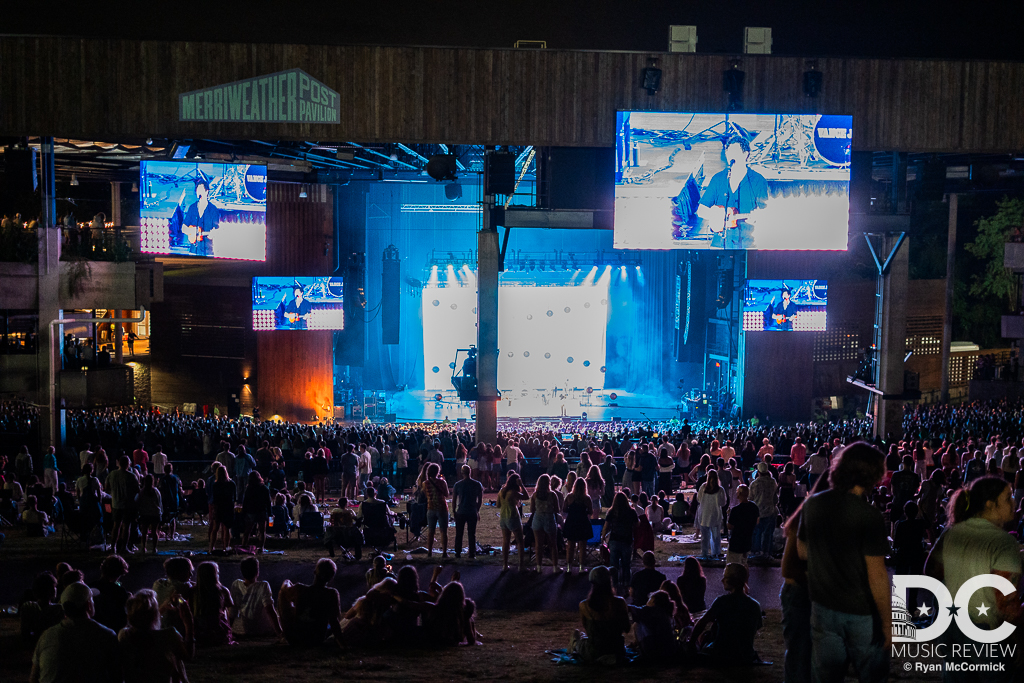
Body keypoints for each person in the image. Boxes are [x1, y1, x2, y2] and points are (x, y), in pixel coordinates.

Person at [798, 442, 891, 683]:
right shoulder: (869, 516)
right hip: (861, 611)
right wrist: (888, 622)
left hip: (823, 606)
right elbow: (877, 574)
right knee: (871, 674)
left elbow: (802, 550)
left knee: (825, 676)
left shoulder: (813, 503)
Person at [925, 476, 1022, 681]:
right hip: (985, 630)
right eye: (1007, 498)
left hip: (950, 626)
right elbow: (1005, 600)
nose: (1014, 502)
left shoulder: (951, 533)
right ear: (990, 504)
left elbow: (931, 572)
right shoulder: (1004, 542)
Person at [30, 582, 120, 683]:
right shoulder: (107, 636)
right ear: (88, 605)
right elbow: (117, 677)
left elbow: (33, 677)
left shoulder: (46, 636)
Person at [696, 134, 769, 249]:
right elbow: (701, 210)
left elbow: (766, 214)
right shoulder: (718, 178)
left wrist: (757, 220)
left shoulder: (758, 181)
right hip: (719, 243)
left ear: (746, 154)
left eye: (735, 152)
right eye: (728, 152)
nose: (731, 156)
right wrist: (718, 216)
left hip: (747, 244)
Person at [689, 563, 764, 664]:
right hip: (746, 655)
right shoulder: (755, 605)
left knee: (704, 637)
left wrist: (691, 642)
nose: (722, 580)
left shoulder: (722, 601)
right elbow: (757, 626)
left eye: (725, 577)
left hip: (722, 654)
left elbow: (702, 622)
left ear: (732, 581)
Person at [119, 589, 194, 683]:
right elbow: (188, 655)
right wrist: (189, 623)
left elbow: (142, 625)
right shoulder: (168, 635)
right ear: (154, 615)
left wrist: (161, 609)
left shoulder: (124, 634)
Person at [569, 566, 631, 665]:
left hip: (594, 651)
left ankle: (574, 646)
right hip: (616, 650)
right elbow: (627, 628)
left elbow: (587, 628)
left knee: (577, 635)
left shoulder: (584, 605)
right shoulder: (619, 602)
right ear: (609, 581)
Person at [279, 558, 343, 647]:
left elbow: (284, 588)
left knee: (283, 594)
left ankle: (282, 632)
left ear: (314, 572)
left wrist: (287, 581)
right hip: (317, 639)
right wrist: (342, 643)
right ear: (331, 577)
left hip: (295, 638)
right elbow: (334, 621)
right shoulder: (332, 594)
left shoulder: (299, 589)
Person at [229, 557, 283, 638]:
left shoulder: (236, 585)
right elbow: (270, 610)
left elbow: (233, 612)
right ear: (257, 572)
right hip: (265, 630)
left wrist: (227, 631)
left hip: (249, 629)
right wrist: (280, 633)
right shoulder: (263, 585)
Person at [191, 561, 233, 647]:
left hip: (198, 632)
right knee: (225, 610)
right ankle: (228, 631)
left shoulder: (193, 591)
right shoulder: (222, 590)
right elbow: (230, 604)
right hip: (218, 631)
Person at [602, 492, 639, 589]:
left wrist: (603, 537)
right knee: (626, 564)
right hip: (627, 540)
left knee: (614, 564)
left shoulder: (611, 512)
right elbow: (637, 524)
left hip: (614, 540)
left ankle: (614, 584)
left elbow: (606, 526)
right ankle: (626, 584)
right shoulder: (631, 512)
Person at [628, 590, 677, 662]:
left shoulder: (652, 610)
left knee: (637, 624)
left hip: (656, 652)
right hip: (669, 651)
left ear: (654, 601)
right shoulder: (664, 612)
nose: (648, 600)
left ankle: (645, 654)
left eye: (650, 598)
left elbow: (632, 609)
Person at [107, 455, 141, 555]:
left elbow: (106, 486)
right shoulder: (131, 475)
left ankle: (113, 547)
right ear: (128, 464)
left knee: (116, 526)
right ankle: (124, 547)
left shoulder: (112, 474)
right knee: (126, 527)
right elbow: (137, 490)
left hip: (115, 504)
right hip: (127, 505)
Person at [182, 172, 220, 257]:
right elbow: (183, 228)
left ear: (207, 192)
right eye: (197, 190)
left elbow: (217, 229)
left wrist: (213, 234)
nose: (199, 193)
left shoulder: (213, 210)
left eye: (201, 190)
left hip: (208, 251)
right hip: (193, 250)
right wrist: (191, 231)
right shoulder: (192, 208)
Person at [530, 474, 562, 573]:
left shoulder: (535, 495)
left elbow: (532, 510)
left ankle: (539, 567)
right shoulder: (552, 495)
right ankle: (555, 567)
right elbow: (557, 510)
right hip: (549, 518)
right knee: (553, 544)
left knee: (538, 545)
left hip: (538, 518)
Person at [92, 554, 131, 633]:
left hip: (92, 629)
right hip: (113, 631)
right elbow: (123, 619)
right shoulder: (120, 592)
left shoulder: (91, 586)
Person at [451, 464, 483, 560]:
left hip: (461, 511)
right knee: (471, 533)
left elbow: (454, 500)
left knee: (459, 533)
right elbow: (480, 500)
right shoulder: (477, 484)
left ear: (462, 473)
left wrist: (454, 510)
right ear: (470, 472)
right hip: (472, 511)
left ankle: (457, 552)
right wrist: (477, 510)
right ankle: (472, 553)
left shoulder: (458, 485)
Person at [563, 478, 595, 574]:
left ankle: (569, 567)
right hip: (583, 522)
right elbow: (590, 511)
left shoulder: (569, 497)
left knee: (570, 545)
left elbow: (564, 509)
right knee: (582, 546)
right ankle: (581, 567)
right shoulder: (586, 498)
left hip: (571, 522)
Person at [749, 462, 779, 559]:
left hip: (757, 511)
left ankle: (756, 552)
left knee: (757, 532)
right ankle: (767, 552)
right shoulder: (773, 482)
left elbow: (750, 498)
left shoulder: (754, 483)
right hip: (770, 510)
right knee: (768, 533)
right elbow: (776, 497)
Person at [498, 472, 527, 572]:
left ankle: (505, 565)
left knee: (506, 541)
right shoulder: (513, 492)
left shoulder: (502, 491)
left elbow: (497, 505)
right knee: (520, 541)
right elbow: (527, 496)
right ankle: (521, 565)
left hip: (503, 517)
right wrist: (521, 485)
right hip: (513, 516)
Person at [696, 469, 728, 559]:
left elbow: (698, 499)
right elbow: (723, 503)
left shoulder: (703, 487)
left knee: (704, 537)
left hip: (704, 514)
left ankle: (705, 553)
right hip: (715, 514)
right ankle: (716, 552)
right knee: (716, 536)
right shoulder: (720, 489)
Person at [421, 462, 450, 558]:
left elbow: (426, 494)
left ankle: (429, 551)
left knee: (431, 531)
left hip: (431, 508)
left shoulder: (425, 483)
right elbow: (446, 494)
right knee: (443, 531)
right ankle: (444, 552)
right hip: (442, 507)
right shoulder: (442, 482)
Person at [727, 484, 760, 566]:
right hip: (748, 538)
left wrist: (728, 516)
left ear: (739, 494)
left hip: (736, 540)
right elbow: (757, 521)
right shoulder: (754, 507)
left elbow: (730, 526)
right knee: (744, 563)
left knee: (732, 564)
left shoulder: (735, 510)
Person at [242, 471, 273, 553]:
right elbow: (268, 503)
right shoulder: (264, 488)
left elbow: (245, 501)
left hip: (251, 511)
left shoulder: (249, 489)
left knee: (247, 531)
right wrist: (270, 514)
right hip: (261, 511)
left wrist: (244, 512)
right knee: (262, 531)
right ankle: (261, 547)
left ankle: (244, 546)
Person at [209, 467, 235, 554]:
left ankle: (211, 547)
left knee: (215, 528)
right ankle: (226, 547)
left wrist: (214, 510)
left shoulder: (216, 485)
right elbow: (234, 497)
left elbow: (215, 498)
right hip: (228, 507)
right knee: (227, 529)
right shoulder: (231, 483)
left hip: (219, 507)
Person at [136, 474, 163, 554]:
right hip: (155, 513)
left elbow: (138, 502)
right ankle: (154, 548)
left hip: (145, 513)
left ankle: (143, 548)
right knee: (154, 531)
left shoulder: (142, 492)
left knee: (144, 531)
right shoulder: (156, 491)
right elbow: (159, 503)